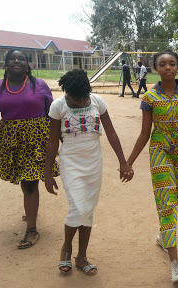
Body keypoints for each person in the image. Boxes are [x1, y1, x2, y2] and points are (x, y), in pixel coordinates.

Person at [126, 50, 178, 283]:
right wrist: (129, 161)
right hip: (159, 152)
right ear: (156, 68)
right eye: (162, 64)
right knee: (166, 202)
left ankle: (164, 236)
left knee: (175, 199)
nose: (168, 68)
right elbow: (145, 133)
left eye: (172, 63)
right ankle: (174, 263)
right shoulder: (150, 98)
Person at [44, 69, 133, 276]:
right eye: (75, 99)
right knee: (77, 207)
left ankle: (81, 256)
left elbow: (111, 132)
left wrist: (123, 162)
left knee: (88, 209)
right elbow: (52, 141)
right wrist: (48, 173)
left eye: (84, 98)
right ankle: (66, 248)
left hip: (94, 163)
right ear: (67, 93)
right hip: (70, 163)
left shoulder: (97, 102)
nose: (80, 102)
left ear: (88, 91)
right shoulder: (57, 106)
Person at [0, 49, 60, 249]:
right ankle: (31, 210)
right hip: (12, 140)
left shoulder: (39, 85)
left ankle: (31, 230)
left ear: (28, 64)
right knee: (24, 178)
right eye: (12, 58)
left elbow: (52, 113)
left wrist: (57, 138)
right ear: (6, 64)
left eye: (21, 58)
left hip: (36, 138)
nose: (17, 61)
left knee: (30, 182)